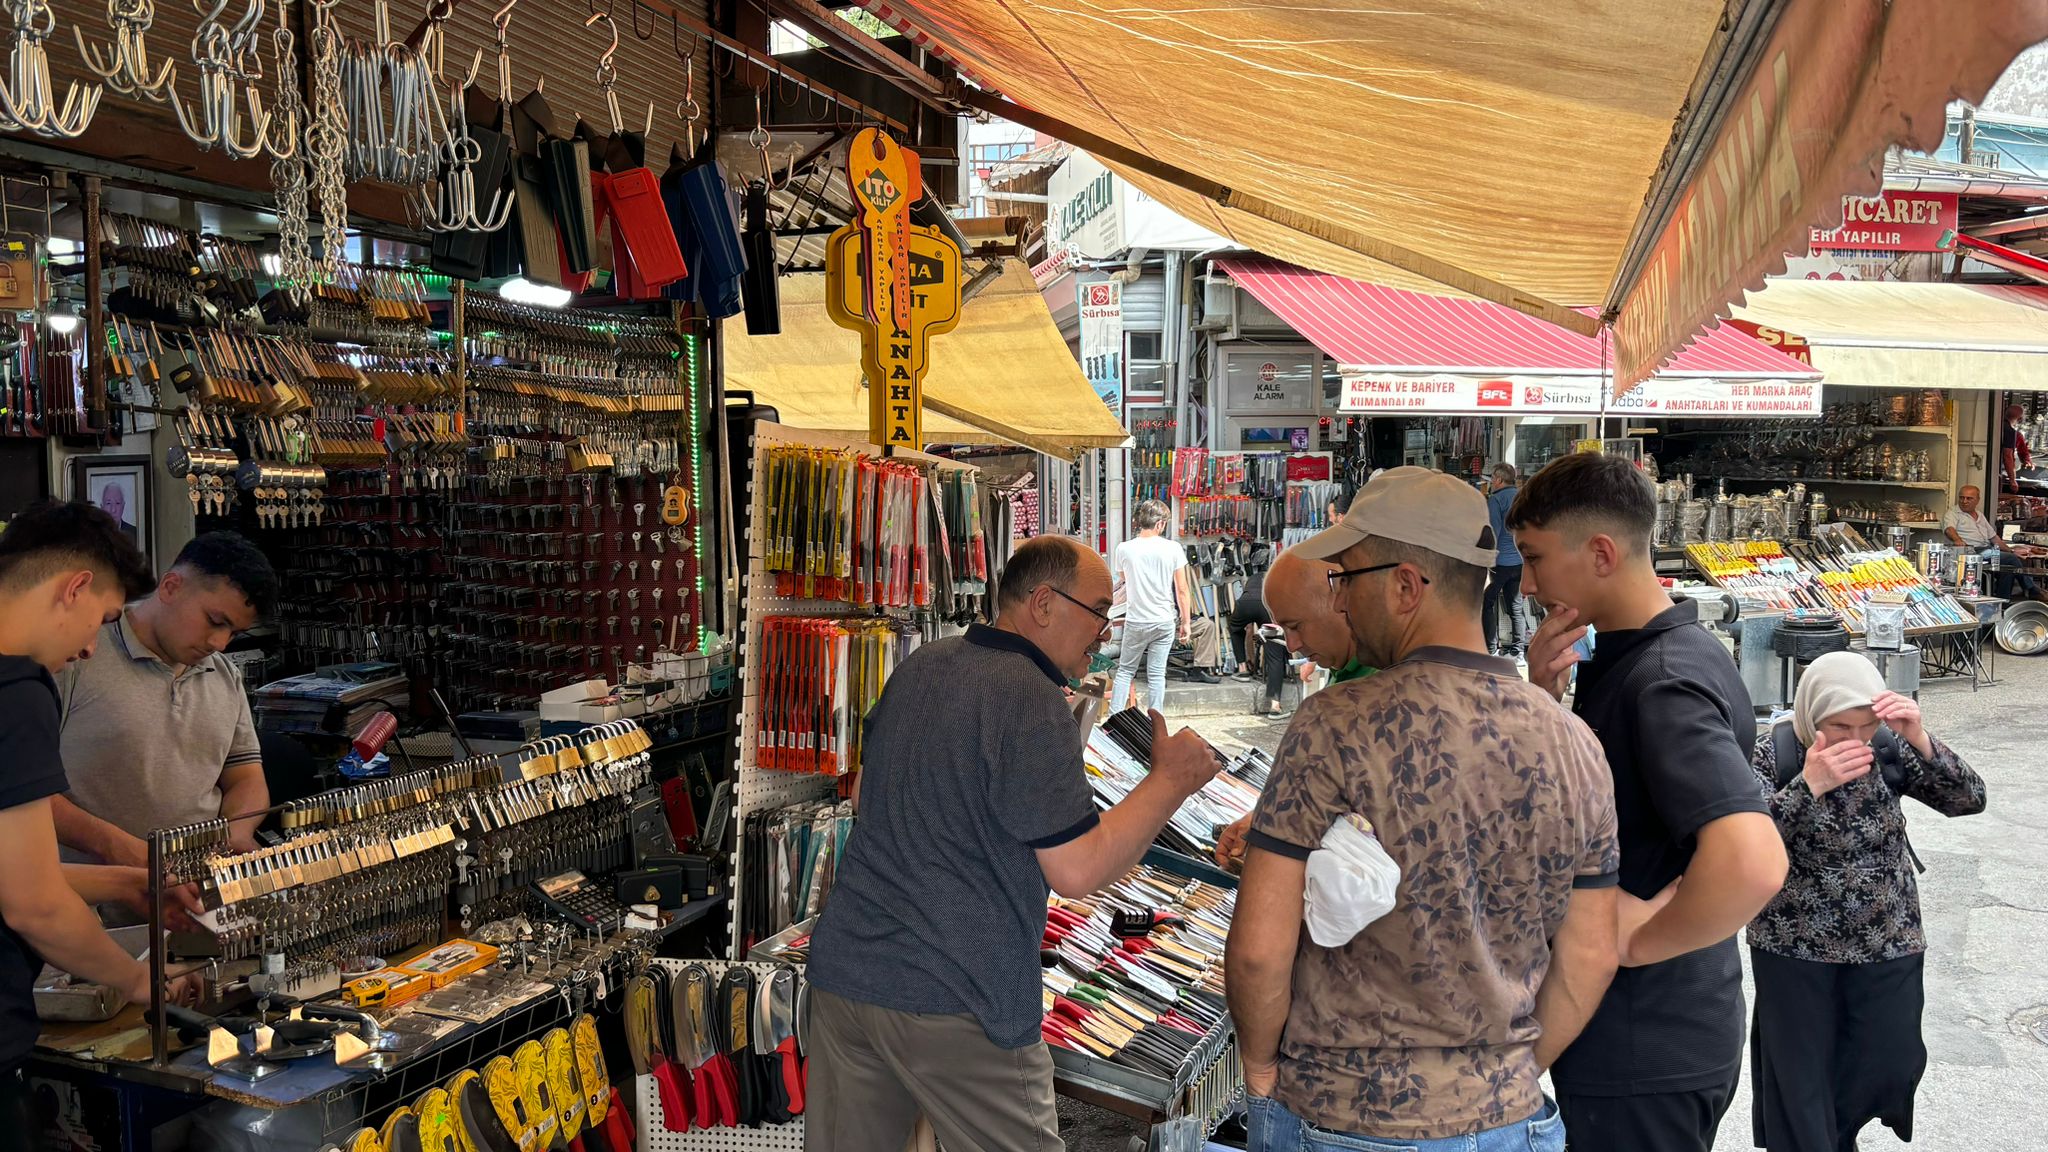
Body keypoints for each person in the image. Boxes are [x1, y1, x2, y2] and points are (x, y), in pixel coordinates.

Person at [1225, 467, 1620, 1152]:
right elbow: (1591, 952)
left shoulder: (1333, 727)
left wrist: (1259, 1067)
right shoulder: (1573, 742)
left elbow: (1261, 950)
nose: (1340, 603)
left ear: (1407, 585)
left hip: (1344, 1116)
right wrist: (1511, 1076)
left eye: (1346, 579)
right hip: (1508, 1118)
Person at [801, 536, 1223, 1152]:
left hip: (849, 976)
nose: (1105, 633)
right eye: (1100, 610)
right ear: (1045, 604)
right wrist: (1170, 782)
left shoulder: (927, 661)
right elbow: (1077, 870)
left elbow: (868, 793)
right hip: (957, 993)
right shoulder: (1028, 694)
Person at [1509, 453, 1788, 1152]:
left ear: (1601, 552)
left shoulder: (1661, 680)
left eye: (1536, 559)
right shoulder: (1655, 651)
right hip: (1642, 1037)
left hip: (1644, 1045)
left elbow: (1751, 860)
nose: (1529, 584)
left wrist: (1632, 941)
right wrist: (1542, 695)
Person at [0, 502, 196, 1138]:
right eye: (102, 620)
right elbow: (31, 904)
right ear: (74, 588)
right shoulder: (17, 693)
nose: (89, 647)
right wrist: (139, 980)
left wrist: (121, 883)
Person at [1746, 652, 1985, 1152]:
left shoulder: (1889, 745)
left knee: (1891, 1058)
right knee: (1800, 1078)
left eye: (1866, 724)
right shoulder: (1773, 753)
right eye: (1838, 726)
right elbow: (1745, 843)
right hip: (1795, 945)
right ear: (1812, 715)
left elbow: (1968, 799)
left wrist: (1917, 736)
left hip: (1888, 935)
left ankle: (1841, 1135)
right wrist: (1808, 786)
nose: (1854, 739)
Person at [56, 532, 278, 878]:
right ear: (171, 587)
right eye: (215, 621)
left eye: (234, 633)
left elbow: (246, 778)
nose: (220, 643)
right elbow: (21, 794)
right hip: (90, 902)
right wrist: (118, 849)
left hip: (193, 896)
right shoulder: (75, 655)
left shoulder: (224, 676)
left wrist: (236, 833)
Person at [1214, 545, 1379, 865]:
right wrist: (1264, 817)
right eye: (1283, 630)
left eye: (1296, 626)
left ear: (1339, 602)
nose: (1292, 645)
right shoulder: (1345, 673)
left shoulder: (1381, 683)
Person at [1110, 500, 1192, 713]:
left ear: (1139, 522)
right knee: (1157, 675)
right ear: (1160, 524)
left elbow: (1123, 577)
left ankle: (1114, 718)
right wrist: (1186, 623)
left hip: (1137, 620)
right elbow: (1182, 589)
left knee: (1126, 671)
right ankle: (1156, 722)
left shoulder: (1124, 549)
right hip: (1164, 620)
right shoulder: (1173, 548)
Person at [1942, 484, 2042, 600]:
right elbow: (1949, 529)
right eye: (1962, 497)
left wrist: (2011, 550)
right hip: (1971, 552)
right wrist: (1957, 540)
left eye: (1969, 498)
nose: (1964, 501)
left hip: (1987, 549)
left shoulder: (1979, 515)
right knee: (2011, 559)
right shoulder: (1953, 513)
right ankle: (2032, 589)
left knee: (2008, 565)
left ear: (1977, 500)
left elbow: (1994, 538)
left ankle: (2003, 600)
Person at [1484, 463, 1528, 657]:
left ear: (1500, 480)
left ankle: (1491, 649)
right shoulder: (1523, 497)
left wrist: (1486, 557)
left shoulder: (1495, 500)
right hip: (1520, 562)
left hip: (1500, 562)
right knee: (1515, 607)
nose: (1491, 482)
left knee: (1487, 602)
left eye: (1492, 478)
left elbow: (1493, 531)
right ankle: (1518, 651)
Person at [2000, 403, 2033, 492]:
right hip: (1999, 473)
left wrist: (2026, 460)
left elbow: (2022, 451)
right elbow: (2007, 456)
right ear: (2020, 419)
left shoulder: (1996, 426)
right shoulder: (2010, 431)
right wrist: (2012, 480)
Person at [95, 481, 138, 545]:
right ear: (102, 507)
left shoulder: (134, 532)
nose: (113, 510)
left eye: (117, 503)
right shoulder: (95, 533)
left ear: (123, 506)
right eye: (108, 503)